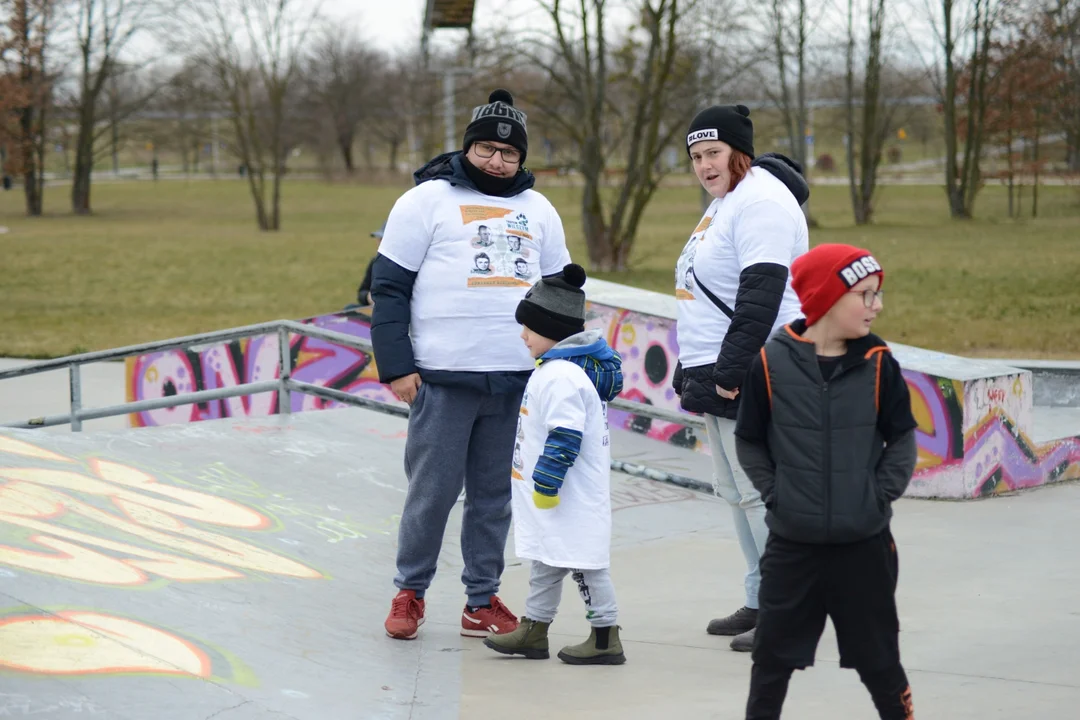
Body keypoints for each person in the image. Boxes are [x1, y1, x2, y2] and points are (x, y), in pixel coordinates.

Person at [371, 89, 572, 641]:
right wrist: (396, 365)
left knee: (493, 498)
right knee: (431, 493)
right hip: (442, 378)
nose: (497, 162)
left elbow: (560, 294)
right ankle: (410, 591)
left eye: (509, 155)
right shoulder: (425, 201)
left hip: (515, 381)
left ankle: (480, 599)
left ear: (521, 160)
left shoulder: (539, 209)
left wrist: (566, 365)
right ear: (468, 147)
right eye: (486, 149)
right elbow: (388, 288)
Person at [733, 243, 917, 719]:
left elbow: (901, 440)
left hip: (864, 546)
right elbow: (749, 439)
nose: (877, 305)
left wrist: (875, 498)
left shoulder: (879, 363)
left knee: (880, 663)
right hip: (793, 547)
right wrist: (778, 496)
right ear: (828, 299)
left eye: (878, 294)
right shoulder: (771, 364)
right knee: (770, 664)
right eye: (866, 294)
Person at [672, 104, 810, 651]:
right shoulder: (725, 202)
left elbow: (761, 294)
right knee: (735, 491)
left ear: (739, 153)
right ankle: (759, 598)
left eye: (714, 153)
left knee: (759, 493)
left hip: (756, 367)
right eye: (696, 156)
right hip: (719, 364)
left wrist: (731, 370)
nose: (705, 165)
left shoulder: (761, 201)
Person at [482, 263, 627, 665]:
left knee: (585, 566)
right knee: (546, 561)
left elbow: (565, 435)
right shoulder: (558, 369)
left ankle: (605, 638)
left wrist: (545, 485)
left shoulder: (561, 376)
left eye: (529, 327)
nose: (523, 335)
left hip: (565, 495)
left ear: (553, 330)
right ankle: (534, 629)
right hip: (558, 498)